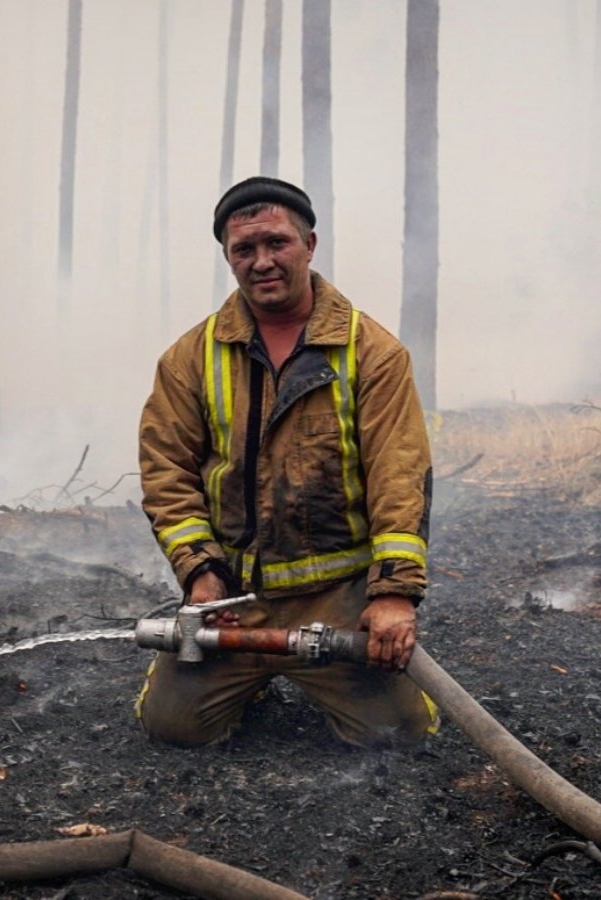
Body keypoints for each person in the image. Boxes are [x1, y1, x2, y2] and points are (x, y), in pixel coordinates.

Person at [135, 176, 437, 749]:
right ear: (228, 257)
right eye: (243, 250)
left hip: (339, 601)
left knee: (401, 737)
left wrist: (392, 595)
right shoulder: (188, 360)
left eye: (277, 243)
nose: (262, 261)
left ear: (309, 244)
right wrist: (200, 573)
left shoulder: (373, 353)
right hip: (233, 602)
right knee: (170, 730)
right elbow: (166, 474)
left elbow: (399, 479)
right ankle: (247, 679)